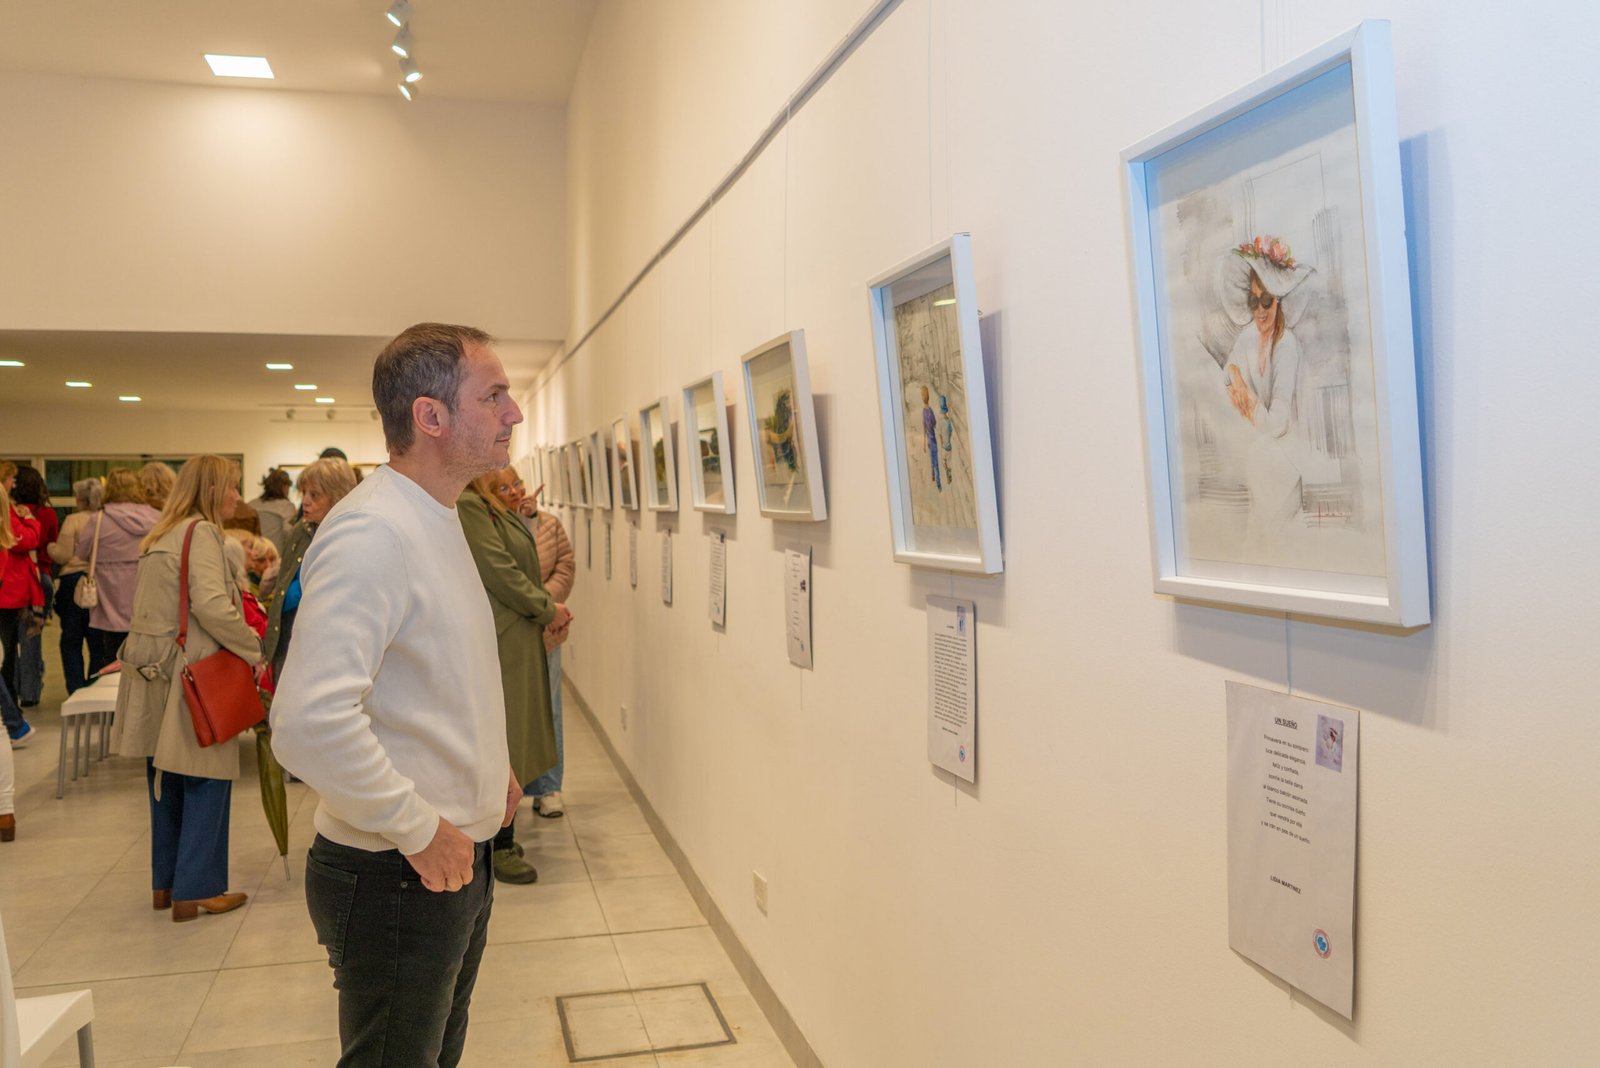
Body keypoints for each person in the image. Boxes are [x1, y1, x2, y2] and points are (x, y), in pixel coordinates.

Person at [271, 322, 537, 1067]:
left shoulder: (435, 515)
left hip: (445, 855)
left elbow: (435, 673)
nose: (513, 413)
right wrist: (418, 827)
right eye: (494, 395)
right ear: (431, 415)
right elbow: (307, 723)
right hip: (396, 871)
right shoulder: (373, 533)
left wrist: (488, 769)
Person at [113, 455, 264, 922]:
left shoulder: (160, 535)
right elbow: (212, 606)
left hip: (152, 671)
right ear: (211, 490)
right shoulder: (201, 533)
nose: (237, 497)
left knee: (165, 780)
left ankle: (166, 884)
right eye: (232, 487)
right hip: (191, 671)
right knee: (206, 777)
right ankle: (198, 889)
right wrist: (253, 646)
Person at [460, 470, 572, 883]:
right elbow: (500, 571)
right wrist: (546, 608)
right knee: (503, 741)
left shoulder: (487, 504)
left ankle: (503, 836)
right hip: (502, 639)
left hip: (515, 637)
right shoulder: (470, 505)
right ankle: (498, 844)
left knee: (515, 738)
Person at [489, 466, 575, 818]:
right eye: (503, 488)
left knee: (549, 710)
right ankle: (510, 789)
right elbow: (502, 579)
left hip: (546, 633)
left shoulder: (548, 525)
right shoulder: (489, 529)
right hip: (509, 636)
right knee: (512, 715)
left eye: (516, 483)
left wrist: (543, 605)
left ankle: (549, 788)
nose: (513, 491)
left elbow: (565, 566)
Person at [260, 457, 357, 683]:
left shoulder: (350, 537)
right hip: (288, 637)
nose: (305, 501)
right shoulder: (300, 531)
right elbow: (284, 586)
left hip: (326, 648)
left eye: (315, 495)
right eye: (304, 493)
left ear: (337, 497)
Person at [76, 468, 161, 669]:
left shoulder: (99, 519)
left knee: (111, 656)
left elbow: (81, 553)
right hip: (148, 594)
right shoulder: (157, 518)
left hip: (109, 597)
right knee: (147, 660)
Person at [49, 477, 107, 692]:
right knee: (97, 642)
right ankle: (95, 687)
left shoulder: (73, 520)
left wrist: (50, 547)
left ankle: (75, 689)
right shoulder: (106, 520)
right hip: (100, 582)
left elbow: (63, 555)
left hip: (73, 581)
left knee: (71, 640)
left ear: (80, 499)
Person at [8, 466, 55, 706]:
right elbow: (51, 546)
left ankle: (12, 689)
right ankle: (30, 693)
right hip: (40, 579)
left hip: (14, 579)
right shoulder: (47, 514)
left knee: (9, 641)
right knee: (31, 638)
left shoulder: (10, 513)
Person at [0, 479, 41, 746]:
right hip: (11, 597)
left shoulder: (9, 529)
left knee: (7, 661)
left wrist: (29, 522)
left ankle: (14, 723)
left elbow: (29, 540)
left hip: (9, 598)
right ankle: (15, 723)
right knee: (6, 660)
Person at [250, 468, 297, 555]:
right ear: (284, 487)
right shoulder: (287, 507)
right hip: (276, 556)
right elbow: (289, 532)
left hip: (254, 554)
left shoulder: (251, 505)